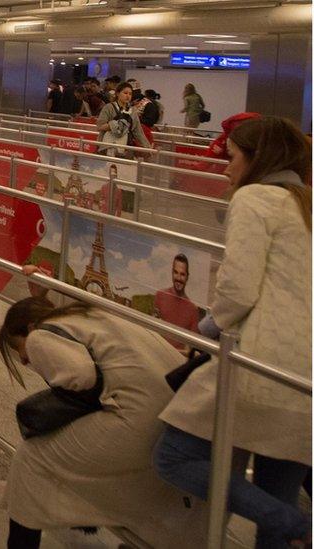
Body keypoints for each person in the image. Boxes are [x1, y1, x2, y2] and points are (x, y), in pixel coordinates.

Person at [155, 117, 312, 548]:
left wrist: (202, 329)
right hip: (302, 375)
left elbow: (239, 288)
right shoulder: (306, 202)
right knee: (276, 486)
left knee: (174, 456)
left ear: (257, 159)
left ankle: (300, 527)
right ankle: (288, 525)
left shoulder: (255, 198)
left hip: (258, 364)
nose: (226, 168)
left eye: (233, 157)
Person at [0, 286, 208, 549]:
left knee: (30, 459)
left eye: (19, 349)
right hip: (172, 418)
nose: (24, 360)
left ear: (29, 327)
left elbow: (81, 376)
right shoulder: (88, 313)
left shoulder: (40, 336)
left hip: (136, 420)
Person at [153, 254, 201, 349]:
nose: (178, 278)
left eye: (182, 274)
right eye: (176, 272)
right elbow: (153, 331)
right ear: (172, 273)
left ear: (187, 277)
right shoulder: (160, 295)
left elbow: (190, 350)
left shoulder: (193, 310)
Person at [95, 82, 153, 157]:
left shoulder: (133, 111)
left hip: (125, 148)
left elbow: (138, 132)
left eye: (130, 94)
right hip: (107, 146)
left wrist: (147, 147)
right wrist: (115, 125)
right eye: (125, 93)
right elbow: (100, 126)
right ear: (118, 93)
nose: (128, 96)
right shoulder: (109, 107)